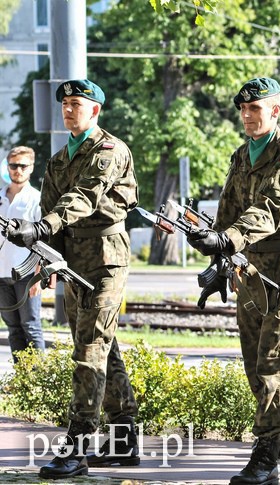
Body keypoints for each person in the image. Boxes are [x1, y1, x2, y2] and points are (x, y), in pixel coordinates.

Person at [4, 80, 140, 479]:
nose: (68, 109)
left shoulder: (109, 151)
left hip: (105, 259)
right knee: (102, 344)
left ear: (95, 110)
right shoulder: (59, 158)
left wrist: (41, 227)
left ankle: (77, 445)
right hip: (72, 261)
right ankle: (123, 437)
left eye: (77, 104)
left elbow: (83, 198)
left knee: (89, 351)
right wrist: (41, 256)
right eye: (64, 103)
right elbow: (51, 209)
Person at [185, 77, 280, 483]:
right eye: (242, 109)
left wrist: (229, 238)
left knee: (274, 363)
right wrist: (215, 249)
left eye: (255, 108)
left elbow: (269, 209)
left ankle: (267, 455)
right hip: (250, 270)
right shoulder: (242, 155)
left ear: (275, 111)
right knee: (254, 364)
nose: (246, 115)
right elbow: (229, 209)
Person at [0, 146, 45, 362]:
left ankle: (40, 382)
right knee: (13, 328)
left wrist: (38, 277)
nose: (18, 170)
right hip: (1, 275)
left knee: (31, 326)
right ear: (7, 167)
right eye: (13, 165)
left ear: (31, 168)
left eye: (23, 166)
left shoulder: (36, 199)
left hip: (26, 274)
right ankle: (22, 380)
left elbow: (43, 240)